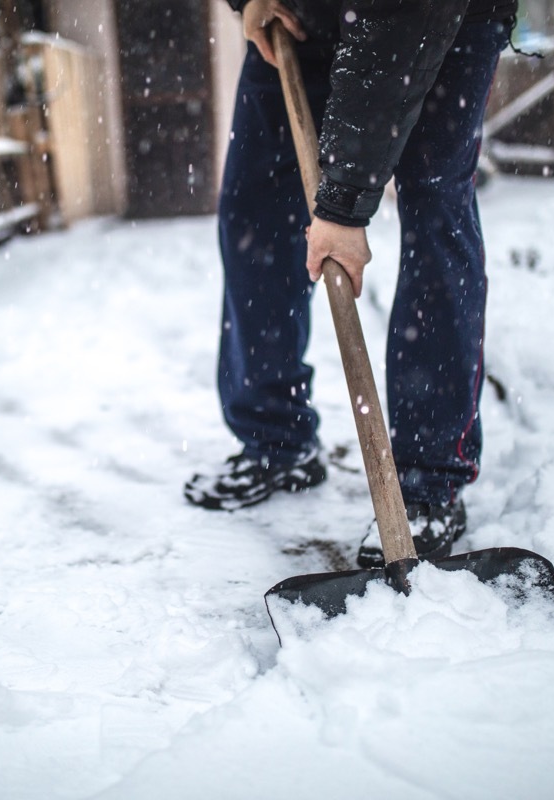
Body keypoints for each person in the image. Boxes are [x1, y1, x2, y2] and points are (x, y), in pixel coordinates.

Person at [184, 0, 515, 565]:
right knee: (255, 209)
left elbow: (400, 21)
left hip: (443, 19)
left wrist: (342, 206)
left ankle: (427, 478)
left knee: (435, 206)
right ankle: (275, 437)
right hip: (298, 14)